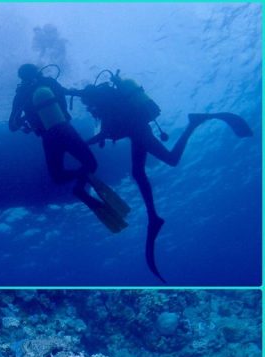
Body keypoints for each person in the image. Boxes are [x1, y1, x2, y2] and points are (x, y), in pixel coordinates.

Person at [80, 70, 253, 282]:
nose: (88, 107)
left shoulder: (105, 105)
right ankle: (153, 216)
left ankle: (193, 123)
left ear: (91, 99)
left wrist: (83, 144)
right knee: (138, 172)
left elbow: (106, 132)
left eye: (87, 103)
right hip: (138, 131)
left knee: (170, 160)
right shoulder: (109, 102)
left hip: (139, 132)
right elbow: (110, 130)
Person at [9, 63, 130, 233]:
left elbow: (12, 126)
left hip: (48, 137)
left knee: (58, 177)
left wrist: (23, 121)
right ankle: (80, 187)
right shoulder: (48, 82)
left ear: (21, 78)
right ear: (37, 71)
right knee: (91, 164)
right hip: (65, 129)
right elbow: (69, 92)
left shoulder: (21, 93)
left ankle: (80, 187)